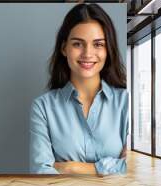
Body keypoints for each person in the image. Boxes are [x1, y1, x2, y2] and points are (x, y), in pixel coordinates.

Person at [29, 3, 128, 175]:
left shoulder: (126, 103)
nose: (88, 54)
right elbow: (41, 172)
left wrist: (73, 168)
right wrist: (113, 167)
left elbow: (135, 167)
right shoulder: (43, 107)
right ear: (64, 48)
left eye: (98, 44)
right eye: (77, 44)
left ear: (108, 50)